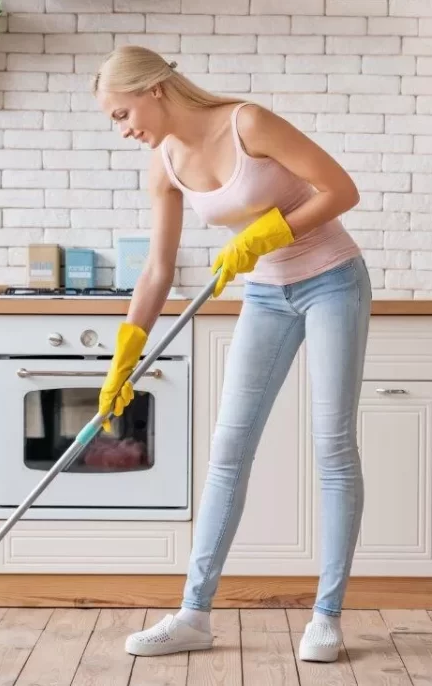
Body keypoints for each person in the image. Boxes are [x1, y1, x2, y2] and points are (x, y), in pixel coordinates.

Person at [92, 45, 372, 664]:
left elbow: (341, 190)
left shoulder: (248, 123)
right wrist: (125, 354)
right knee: (228, 450)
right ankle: (194, 614)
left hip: (331, 278)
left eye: (121, 113)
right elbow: (158, 269)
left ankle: (326, 616)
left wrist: (265, 233)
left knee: (331, 445)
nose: (123, 129)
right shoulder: (163, 162)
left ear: (153, 90)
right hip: (266, 295)